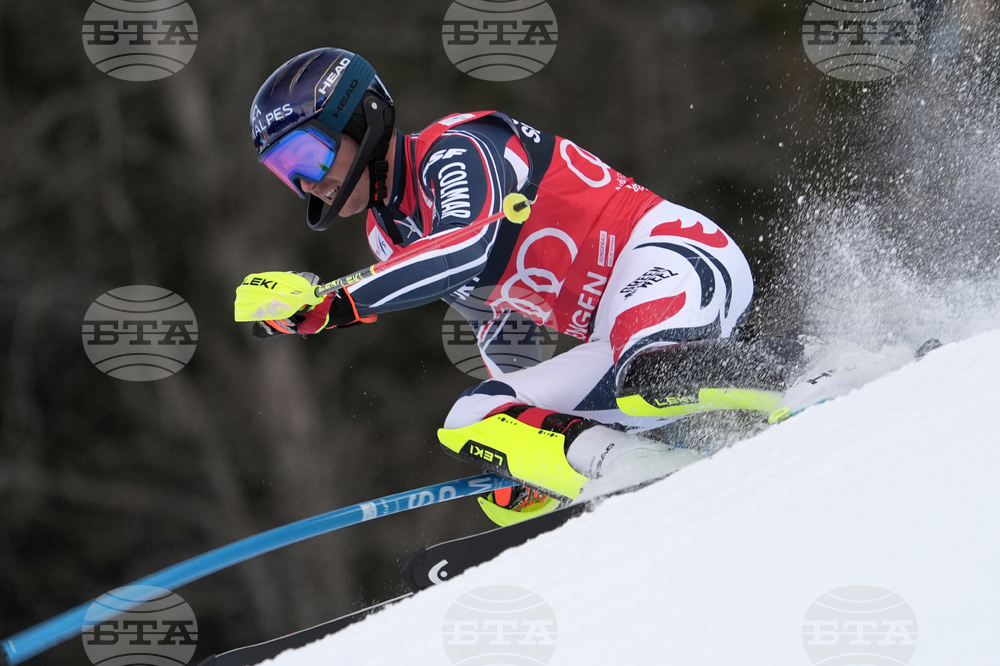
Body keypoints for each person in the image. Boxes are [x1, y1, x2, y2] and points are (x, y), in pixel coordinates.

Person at [246, 47, 783, 525]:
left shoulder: (454, 150)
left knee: (647, 378)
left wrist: (332, 301)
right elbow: (497, 321)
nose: (307, 182)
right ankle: (638, 471)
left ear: (362, 120)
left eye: (306, 156)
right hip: (613, 337)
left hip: (675, 256)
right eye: (284, 171)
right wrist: (535, 446)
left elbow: (463, 250)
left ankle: (803, 371)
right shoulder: (388, 236)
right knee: (474, 421)